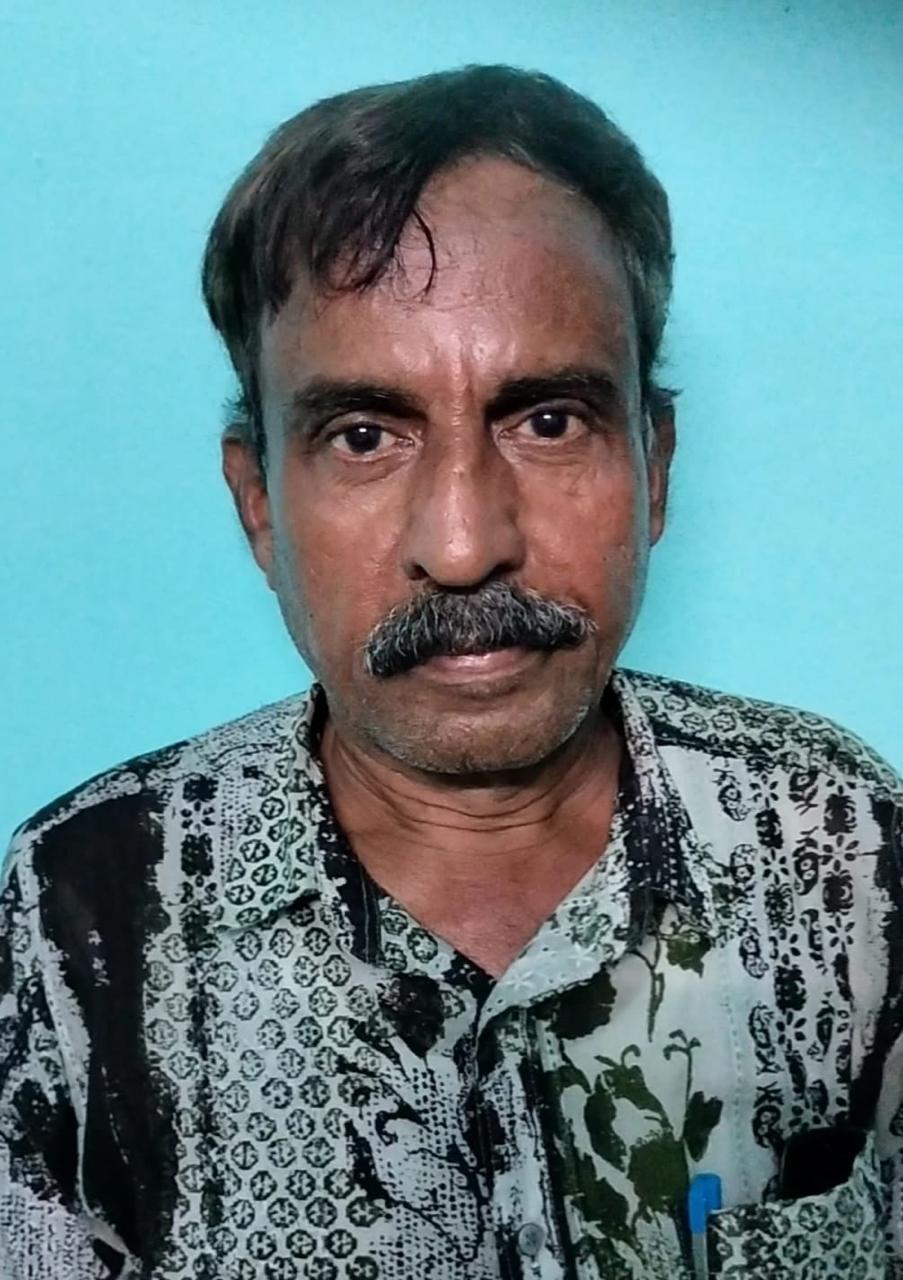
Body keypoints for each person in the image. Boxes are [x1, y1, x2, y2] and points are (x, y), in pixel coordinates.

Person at [1, 64, 900, 1280]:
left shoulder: (842, 843)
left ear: (656, 465)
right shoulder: (82, 912)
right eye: (365, 434)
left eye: (549, 420)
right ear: (259, 503)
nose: (466, 543)